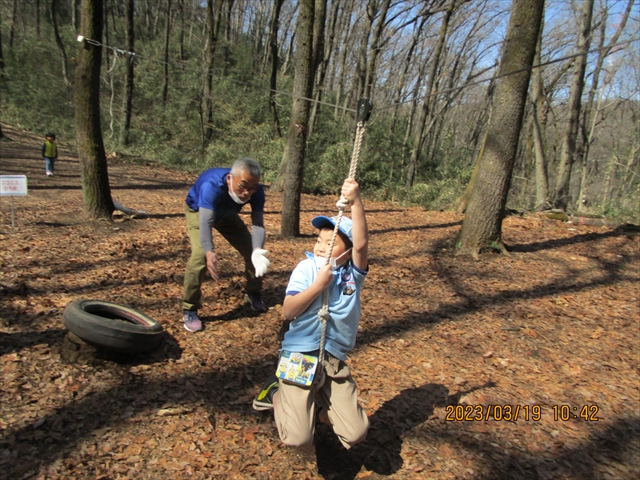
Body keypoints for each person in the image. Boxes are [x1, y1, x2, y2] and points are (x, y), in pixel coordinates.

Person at [253, 178, 369, 451]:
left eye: (331, 243)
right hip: (300, 355)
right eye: (319, 240)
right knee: (298, 438)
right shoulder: (306, 269)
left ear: (347, 251)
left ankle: (315, 409)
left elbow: (362, 244)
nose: (321, 247)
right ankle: (278, 392)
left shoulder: (353, 275)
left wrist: (356, 200)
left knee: (356, 433)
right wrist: (318, 285)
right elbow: (288, 310)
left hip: (333, 359)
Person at [182, 157, 271, 332]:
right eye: (243, 186)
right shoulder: (211, 186)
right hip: (199, 211)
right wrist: (209, 251)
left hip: (227, 214)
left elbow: (258, 224)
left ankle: (253, 292)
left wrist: (257, 250)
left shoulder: (257, 191)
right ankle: (189, 307)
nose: (247, 193)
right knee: (200, 255)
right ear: (230, 179)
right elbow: (206, 223)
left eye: (252, 188)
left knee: (251, 252)